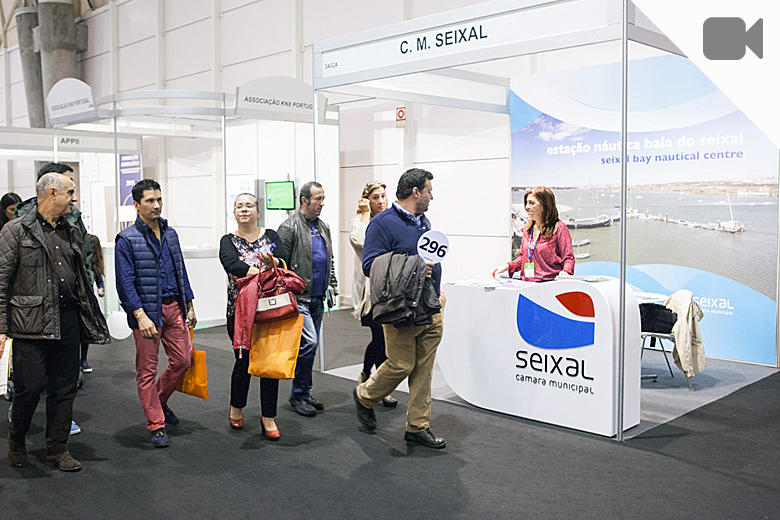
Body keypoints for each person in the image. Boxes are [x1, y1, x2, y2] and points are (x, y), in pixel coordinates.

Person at [0, 172, 109, 471]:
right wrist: (1, 329)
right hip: (30, 323)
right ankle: (17, 440)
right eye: (70, 192)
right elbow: (1, 282)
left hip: (68, 320)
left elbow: (82, 275)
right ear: (51, 193)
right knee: (29, 388)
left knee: (65, 388)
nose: (74, 198)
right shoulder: (15, 231)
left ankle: (57, 449)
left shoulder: (71, 230)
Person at [353, 168, 447, 449]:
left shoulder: (423, 222)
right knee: (401, 364)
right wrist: (414, 267)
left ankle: (417, 426)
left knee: (424, 370)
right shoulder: (382, 224)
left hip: (431, 305)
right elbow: (370, 265)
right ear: (416, 192)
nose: (432, 196)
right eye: (429, 191)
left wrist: (436, 290)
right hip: (401, 308)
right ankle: (364, 396)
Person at [115, 179, 196, 448]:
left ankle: (158, 402)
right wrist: (139, 315)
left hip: (174, 306)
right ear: (137, 205)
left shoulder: (170, 234)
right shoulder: (126, 239)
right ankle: (156, 424)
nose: (156, 205)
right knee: (147, 370)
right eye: (150, 200)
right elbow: (125, 283)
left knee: (183, 360)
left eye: (159, 199)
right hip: (147, 312)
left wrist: (189, 303)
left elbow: (180, 269)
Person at [219, 193, 286, 440]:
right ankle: (236, 407)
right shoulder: (228, 240)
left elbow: (284, 261)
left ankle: (268, 416)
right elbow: (231, 264)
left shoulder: (271, 236)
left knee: (269, 363)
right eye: (239, 206)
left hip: (270, 310)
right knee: (243, 361)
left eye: (249, 205)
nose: (244, 209)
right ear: (234, 213)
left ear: (258, 211)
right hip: (239, 312)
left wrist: (274, 261)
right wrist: (260, 271)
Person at [277, 181, 337, 417]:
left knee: (310, 347)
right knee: (309, 343)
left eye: (323, 198)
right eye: (318, 198)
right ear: (304, 200)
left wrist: (333, 285)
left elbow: (329, 259)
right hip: (298, 298)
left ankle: (303, 391)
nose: (322, 203)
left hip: (318, 297)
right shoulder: (288, 227)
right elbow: (280, 266)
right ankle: (298, 394)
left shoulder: (323, 226)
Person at [349, 181, 397, 407]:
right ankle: (372, 382)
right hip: (369, 293)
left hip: (388, 290)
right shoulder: (360, 221)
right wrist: (365, 214)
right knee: (379, 338)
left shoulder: (390, 220)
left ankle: (372, 382)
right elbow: (361, 240)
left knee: (384, 340)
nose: (381, 201)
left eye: (383, 196)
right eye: (375, 197)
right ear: (366, 200)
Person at [492, 186, 575, 281]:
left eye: (531, 203)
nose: (527, 207)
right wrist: (507, 267)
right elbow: (523, 258)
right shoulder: (527, 230)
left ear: (545, 205)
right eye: (526, 203)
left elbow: (568, 258)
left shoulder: (559, 228)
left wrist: (565, 272)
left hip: (550, 285)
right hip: (527, 286)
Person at [80, 234, 105, 373]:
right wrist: (101, 288)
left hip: (85, 299)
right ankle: (82, 361)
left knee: (84, 331)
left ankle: (82, 360)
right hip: (85, 300)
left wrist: (101, 287)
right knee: (85, 331)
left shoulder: (90, 263)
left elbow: (98, 276)